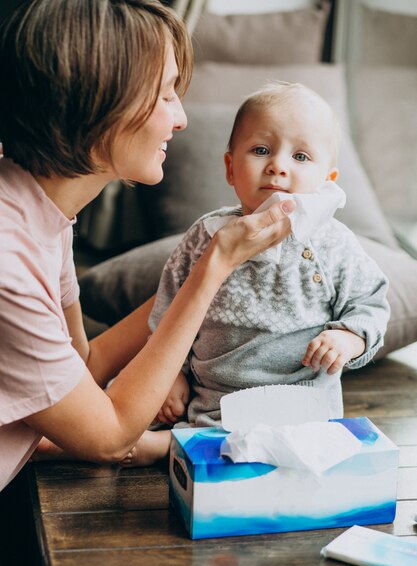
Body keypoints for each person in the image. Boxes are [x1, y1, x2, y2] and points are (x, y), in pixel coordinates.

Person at [0, 0, 295, 491]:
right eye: (163, 96)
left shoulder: (39, 213)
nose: (180, 119)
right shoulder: (9, 256)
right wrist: (213, 268)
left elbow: (85, 365)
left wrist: (201, 273)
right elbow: (111, 434)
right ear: (95, 101)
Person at [127, 81, 390, 464]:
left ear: (327, 181)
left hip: (301, 401)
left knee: (304, 447)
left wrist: (350, 340)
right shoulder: (206, 237)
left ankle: (169, 448)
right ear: (231, 167)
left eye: (300, 157)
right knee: (210, 434)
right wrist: (173, 376)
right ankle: (183, 443)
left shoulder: (334, 244)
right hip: (216, 398)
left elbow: (371, 304)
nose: (278, 166)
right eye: (261, 150)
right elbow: (170, 312)